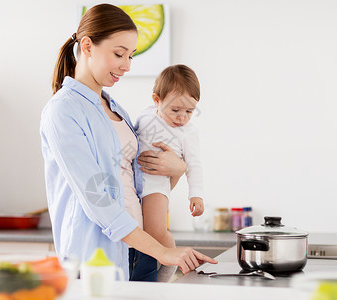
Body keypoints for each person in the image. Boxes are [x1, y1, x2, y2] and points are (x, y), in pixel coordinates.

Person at [39, 4, 217, 282]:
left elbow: (139, 186)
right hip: (99, 259)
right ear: (87, 46)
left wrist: (178, 170)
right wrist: (162, 251)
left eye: (131, 56)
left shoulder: (114, 107)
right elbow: (97, 199)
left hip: (140, 250)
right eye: (119, 54)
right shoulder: (63, 110)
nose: (127, 65)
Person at [135, 65, 204, 282]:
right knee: (138, 232)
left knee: (155, 231)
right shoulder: (146, 114)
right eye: (175, 110)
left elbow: (194, 164)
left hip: (155, 185)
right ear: (157, 100)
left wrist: (196, 194)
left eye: (189, 111)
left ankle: (166, 272)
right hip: (132, 181)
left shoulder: (188, 132)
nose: (182, 117)